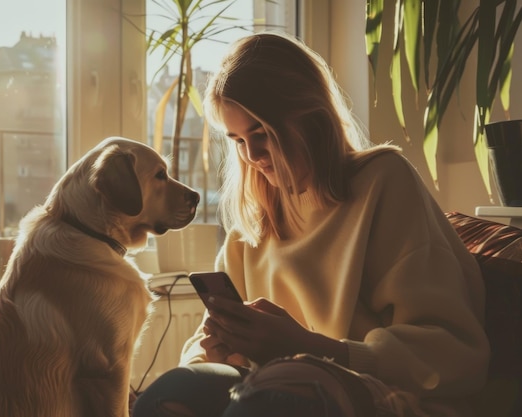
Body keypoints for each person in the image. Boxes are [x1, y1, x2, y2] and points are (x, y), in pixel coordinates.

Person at [132, 32, 490, 417]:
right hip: (272, 387)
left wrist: (309, 348)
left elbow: (454, 353)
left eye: (262, 133)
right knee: (170, 393)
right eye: (237, 140)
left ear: (309, 116)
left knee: (272, 401)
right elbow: (198, 350)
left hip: (384, 395)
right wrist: (215, 349)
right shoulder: (251, 226)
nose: (252, 156)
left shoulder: (382, 182)